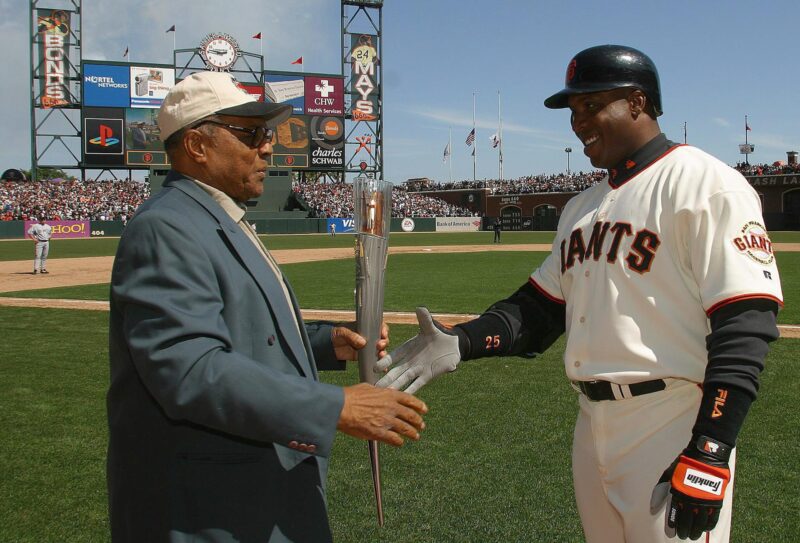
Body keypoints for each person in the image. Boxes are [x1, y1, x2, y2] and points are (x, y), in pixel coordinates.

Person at [376, 45, 783, 543]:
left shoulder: (705, 183)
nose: (578, 121)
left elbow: (746, 324)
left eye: (592, 105)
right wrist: (459, 341)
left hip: (671, 420)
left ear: (637, 103)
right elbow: (539, 310)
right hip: (592, 428)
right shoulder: (581, 207)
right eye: (574, 110)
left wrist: (712, 451)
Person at [107, 71, 428, 543]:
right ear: (197, 145)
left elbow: (244, 328)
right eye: (251, 133)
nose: (267, 147)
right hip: (211, 510)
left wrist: (325, 343)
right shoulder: (167, 227)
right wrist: (334, 406)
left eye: (268, 134)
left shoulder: (216, 215)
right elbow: (190, 370)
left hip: (251, 496)